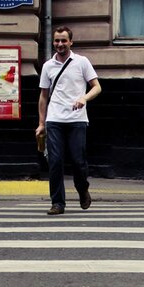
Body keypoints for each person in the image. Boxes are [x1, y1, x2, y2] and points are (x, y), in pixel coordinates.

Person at [36, 26, 102, 215]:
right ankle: (57, 203)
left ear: (71, 42)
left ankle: (82, 189)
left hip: (77, 120)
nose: (60, 44)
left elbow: (97, 87)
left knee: (78, 161)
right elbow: (43, 96)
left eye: (64, 40)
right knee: (55, 162)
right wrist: (41, 123)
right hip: (54, 119)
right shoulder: (48, 66)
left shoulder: (82, 62)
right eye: (57, 40)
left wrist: (84, 98)